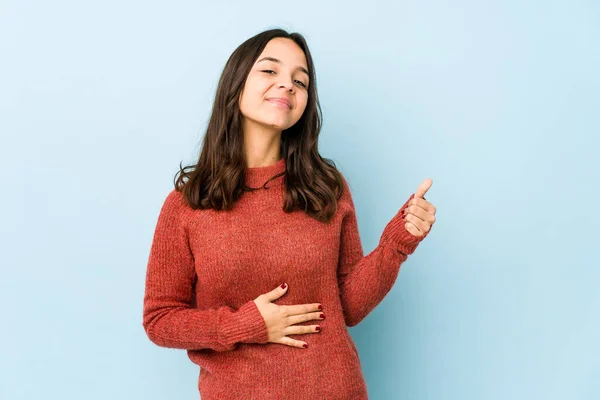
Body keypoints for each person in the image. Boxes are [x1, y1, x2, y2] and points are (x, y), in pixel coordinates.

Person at [142, 27, 437, 399]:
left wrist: (397, 243)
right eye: (270, 71)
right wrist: (242, 326)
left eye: (300, 80)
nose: (288, 85)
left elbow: (347, 306)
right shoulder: (188, 203)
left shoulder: (325, 186)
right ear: (236, 86)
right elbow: (160, 320)